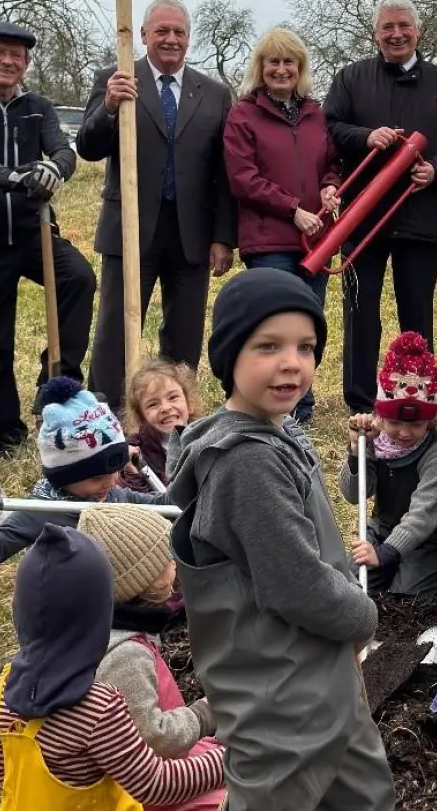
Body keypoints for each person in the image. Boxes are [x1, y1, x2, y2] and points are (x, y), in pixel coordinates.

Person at [167, 268, 394, 810]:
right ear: (228, 356)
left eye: (306, 346)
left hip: (322, 681)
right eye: (268, 346)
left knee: (365, 793)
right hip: (282, 702)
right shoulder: (246, 461)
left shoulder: (273, 435)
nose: (292, 362)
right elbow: (295, 583)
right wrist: (362, 616)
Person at [0, 525, 227, 810]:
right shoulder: (99, 707)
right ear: (100, 615)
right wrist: (229, 758)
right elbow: (157, 785)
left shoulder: (0, 692)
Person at [0, 21, 92, 457]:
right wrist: (11, 177)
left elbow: (63, 150)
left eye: (18, 56)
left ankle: (55, 387)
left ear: (26, 63)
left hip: (33, 231)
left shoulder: (37, 107)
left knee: (78, 279)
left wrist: (55, 169)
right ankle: (4, 431)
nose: (8, 61)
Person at [82, 0, 235, 400]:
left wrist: (222, 236)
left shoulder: (215, 95)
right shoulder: (116, 78)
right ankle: (106, 413)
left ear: (188, 37)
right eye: (162, 31)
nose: (171, 39)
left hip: (191, 234)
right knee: (114, 329)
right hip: (130, 228)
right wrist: (110, 107)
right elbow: (88, 146)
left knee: (184, 334)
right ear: (145, 35)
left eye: (179, 32)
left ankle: (174, 416)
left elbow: (224, 173)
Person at [324, 0, 437, 414]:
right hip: (364, 218)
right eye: (388, 28)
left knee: (417, 313)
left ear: (418, 31)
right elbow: (328, 128)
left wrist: (435, 169)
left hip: (420, 218)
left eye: (404, 26)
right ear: (376, 33)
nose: (396, 34)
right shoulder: (350, 78)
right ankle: (360, 401)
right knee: (360, 313)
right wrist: (366, 136)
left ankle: (417, 394)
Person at [224, 26, 341, 423]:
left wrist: (329, 188)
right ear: (261, 67)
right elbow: (243, 177)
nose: (281, 69)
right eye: (273, 61)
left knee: (308, 325)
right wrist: (293, 210)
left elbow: (331, 164)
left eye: (288, 61)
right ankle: (263, 407)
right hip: (269, 241)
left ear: (300, 68)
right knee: (274, 326)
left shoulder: (314, 113)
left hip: (316, 240)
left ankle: (300, 411)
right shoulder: (243, 114)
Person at [77, 505, 225, 811]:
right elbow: (152, 738)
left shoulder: (109, 627)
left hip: (167, 761)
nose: (175, 564)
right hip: (154, 789)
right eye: (167, 559)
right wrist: (205, 713)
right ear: (146, 578)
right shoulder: (125, 655)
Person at [0, 377, 172, 573]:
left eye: (113, 471)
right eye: (96, 478)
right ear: (64, 477)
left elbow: (167, 505)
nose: (109, 482)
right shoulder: (39, 513)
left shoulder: (116, 497)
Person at [341, 332, 437, 601]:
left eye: (415, 425)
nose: (404, 433)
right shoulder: (373, 438)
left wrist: (385, 554)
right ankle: (393, 565)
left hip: (429, 541)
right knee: (353, 587)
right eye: (395, 423)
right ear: (380, 415)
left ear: (429, 423)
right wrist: (357, 450)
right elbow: (353, 494)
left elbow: (423, 515)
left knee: (405, 600)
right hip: (384, 530)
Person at [118, 358, 198, 493]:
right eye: (153, 404)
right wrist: (133, 472)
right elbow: (137, 502)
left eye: (173, 397)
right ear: (141, 417)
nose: (165, 408)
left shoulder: (207, 437)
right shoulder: (135, 452)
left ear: (190, 404)